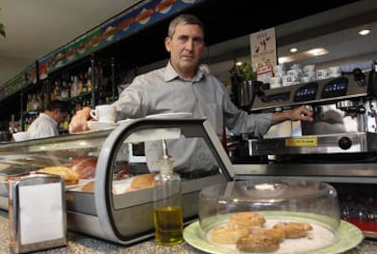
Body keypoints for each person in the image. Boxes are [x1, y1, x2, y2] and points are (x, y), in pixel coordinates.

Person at [69, 14, 313, 172]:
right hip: (169, 183)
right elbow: (118, 111)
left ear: (203, 47)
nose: (189, 47)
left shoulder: (214, 85)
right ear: (168, 44)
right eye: (183, 38)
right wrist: (88, 114)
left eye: (196, 40)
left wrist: (288, 114)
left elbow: (240, 121)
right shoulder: (146, 84)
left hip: (213, 180)